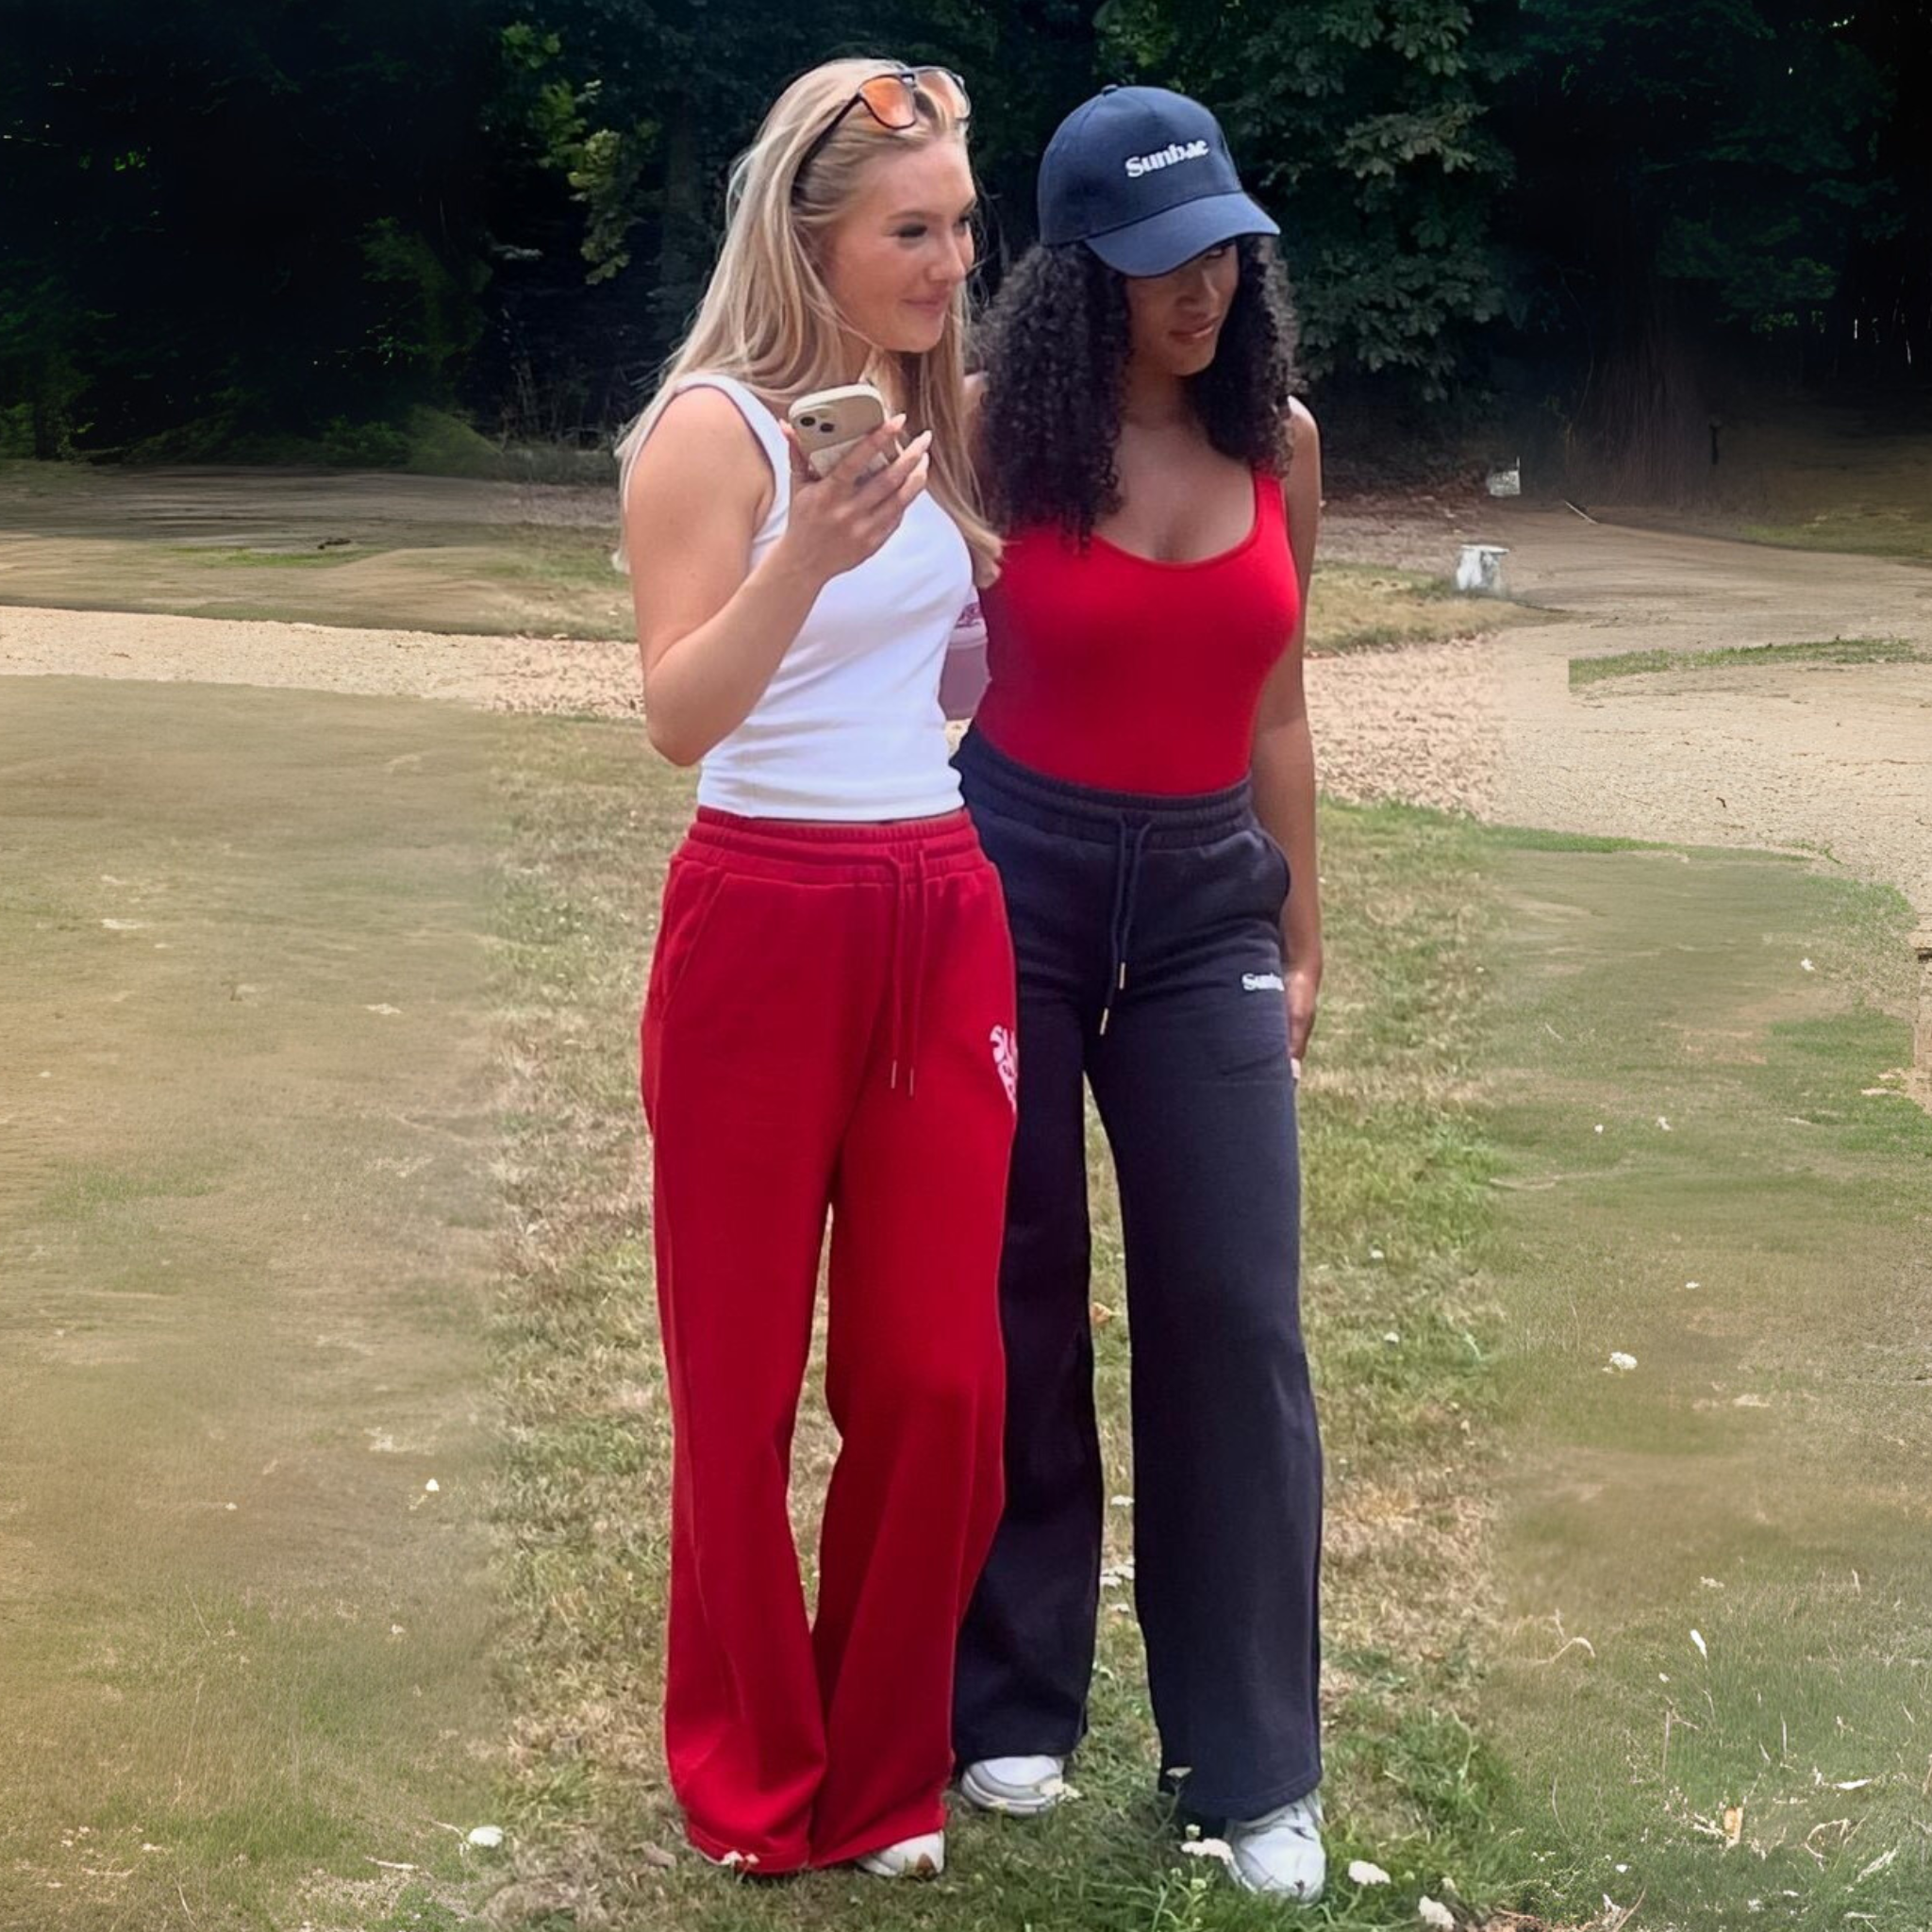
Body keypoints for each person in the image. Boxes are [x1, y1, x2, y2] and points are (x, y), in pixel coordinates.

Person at [616, 58, 1016, 1882]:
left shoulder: (941, 420)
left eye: (958, 225)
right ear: (812, 239)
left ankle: (884, 1775)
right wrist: (812, 558)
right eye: (910, 232)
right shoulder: (716, 432)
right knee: (737, 1371)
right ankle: (753, 1781)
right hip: (764, 913)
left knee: (940, 1376)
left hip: (940, 904)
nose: (949, 262)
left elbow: (935, 678)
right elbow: (680, 711)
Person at [949, 85, 1328, 1900]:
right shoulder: (991, 443)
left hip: (1201, 914)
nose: (1211, 287)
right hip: (1005, 882)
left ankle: (1250, 1764)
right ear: (1082, 273)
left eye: (1230, 250)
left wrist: (1305, 929)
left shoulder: (1285, 446)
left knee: (1236, 1312)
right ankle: (1013, 1699)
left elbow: (1278, 705)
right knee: (1016, 1289)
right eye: (1169, 260)